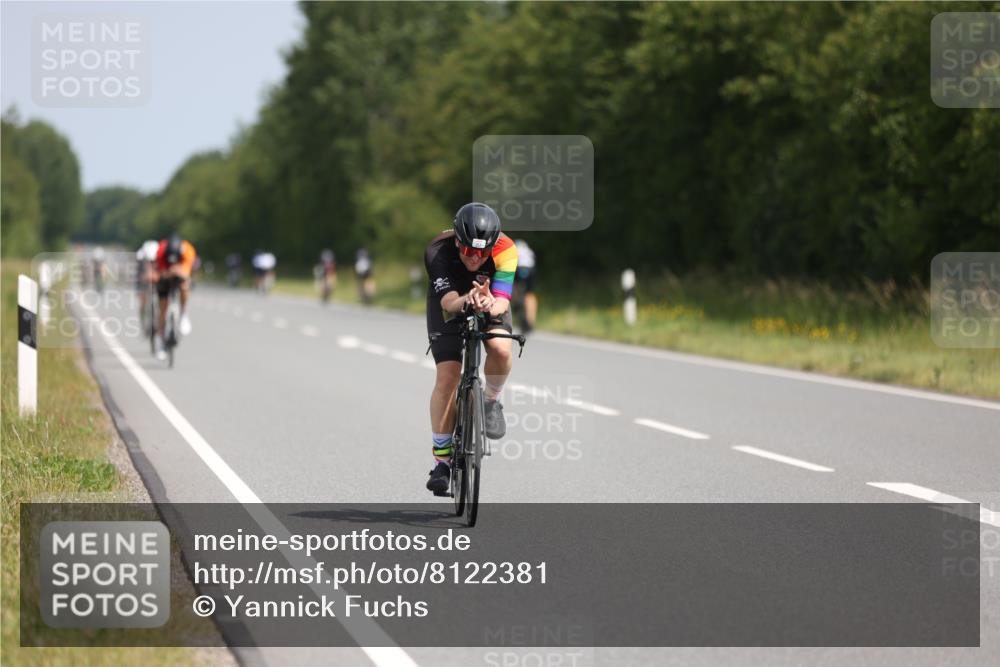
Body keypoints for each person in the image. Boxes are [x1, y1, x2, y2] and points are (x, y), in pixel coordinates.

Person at [423, 203, 518, 494]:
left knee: (501, 349)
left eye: (481, 253)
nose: (474, 259)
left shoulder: (506, 249)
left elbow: (502, 301)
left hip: (489, 298)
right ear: (457, 242)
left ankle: (491, 401)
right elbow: (449, 303)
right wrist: (468, 300)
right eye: (467, 251)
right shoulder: (437, 251)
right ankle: (442, 461)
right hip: (451, 299)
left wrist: (489, 303)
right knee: (448, 375)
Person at [153, 233, 197, 360]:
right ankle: (161, 340)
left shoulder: (188, 250)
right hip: (165, 273)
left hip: (180, 273)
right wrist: (167, 273)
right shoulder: (161, 250)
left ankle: (183, 313)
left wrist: (178, 271)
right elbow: (159, 271)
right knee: (163, 308)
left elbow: (186, 273)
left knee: (185, 285)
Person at [513, 239, 538, 334]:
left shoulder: (513, 247)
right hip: (531, 269)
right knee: (530, 294)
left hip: (518, 268)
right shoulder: (529, 250)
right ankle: (531, 320)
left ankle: (517, 302)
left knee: (514, 286)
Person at [135, 240, 159, 334]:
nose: (151, 262)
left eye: (153, 260)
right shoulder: (140, 257)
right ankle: (143, 319)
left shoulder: (159, 257)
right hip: (142, 281)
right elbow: (138, 276)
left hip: (155, 280)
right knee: (142, 300)